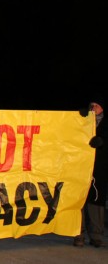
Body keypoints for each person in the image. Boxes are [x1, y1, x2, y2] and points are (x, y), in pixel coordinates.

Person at [74, 93, 107, 248]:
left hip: (98, 169)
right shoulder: (83, 122)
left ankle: (96, 234)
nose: (93, 108)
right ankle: (77, 233)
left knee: (96, 202)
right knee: (78, 201)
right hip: (80, 167)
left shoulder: (105, 125)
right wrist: (75, 119)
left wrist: (102, 144)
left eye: (97, 105)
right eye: (91, 105)